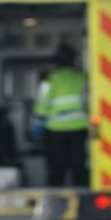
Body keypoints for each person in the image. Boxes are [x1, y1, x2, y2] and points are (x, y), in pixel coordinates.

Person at [33, 44, 90, 188]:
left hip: (55, 129)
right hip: (80, 128)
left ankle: (56, 192)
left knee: (56, 166)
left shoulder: (50, 80)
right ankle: (81, 189)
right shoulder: (84, 77)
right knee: (79, 163)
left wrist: (37, 123)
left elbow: (41, 104)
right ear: (74, 61)